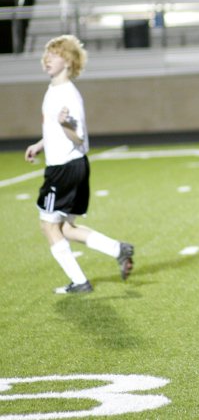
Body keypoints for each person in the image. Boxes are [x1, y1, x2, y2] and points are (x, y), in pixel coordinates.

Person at [24, 35, 134, 295]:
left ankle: (80, 282)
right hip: (71, 166)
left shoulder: (69, 95)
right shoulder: (53, 89)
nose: (47, 59)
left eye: (55, 54)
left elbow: (79, 137)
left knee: (48, 226)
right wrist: (40, 144)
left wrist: (65, 126)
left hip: (64, 169)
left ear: (69, 61)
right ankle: (118, 249)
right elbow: (54, 129)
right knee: (65, 228)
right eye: (46, 54)